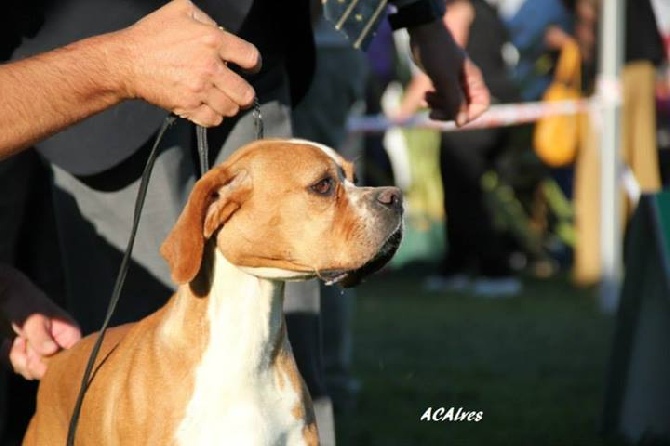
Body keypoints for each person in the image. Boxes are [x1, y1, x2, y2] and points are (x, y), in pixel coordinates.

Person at [2, 0, 490, 443]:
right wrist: (121, 62)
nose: (374, 198)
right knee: (147, 339)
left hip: (255, 43)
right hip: (101, 63)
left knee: (296, 356)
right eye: (328, 188)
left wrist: (421, 19)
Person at [394, 0, 522, 297]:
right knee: (463, 192)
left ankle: (496, 269)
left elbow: (438, 61)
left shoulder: (458, 11)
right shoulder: (489, 11)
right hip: (501, 107)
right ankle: (455, 267)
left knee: (465, 194)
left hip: (472, 109)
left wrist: (399, 115)